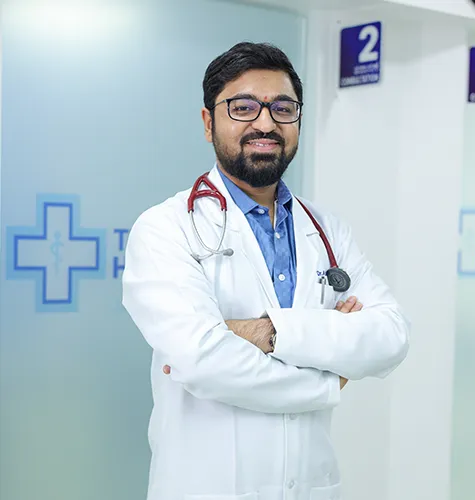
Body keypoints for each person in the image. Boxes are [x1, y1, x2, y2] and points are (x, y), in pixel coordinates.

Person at [122, 42, 410, 500]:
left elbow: (391, 336)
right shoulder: (165, 228)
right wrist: (328, 373)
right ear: (208, 122)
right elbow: (203, 361)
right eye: (243, 107)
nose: (265, 123)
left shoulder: (328, 229)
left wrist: (265, 332)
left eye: (283, 108)